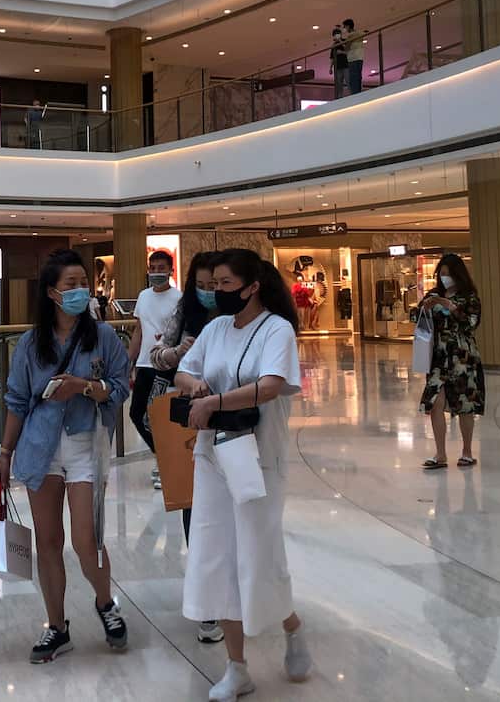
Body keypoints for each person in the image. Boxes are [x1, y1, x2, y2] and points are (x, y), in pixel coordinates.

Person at [174, 248, 313, 700]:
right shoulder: (214, 329)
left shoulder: (277, 329)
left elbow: (272, 386)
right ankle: (237, 667)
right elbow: (182, 372)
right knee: (217, 557)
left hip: (258, 460)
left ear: (253, 286)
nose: (217, 294)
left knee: (258, 555)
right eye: (213, 286)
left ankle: (291, 624)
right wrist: (194, 386)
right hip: (213, 459)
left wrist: (213, 402)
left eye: (226, 285)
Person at [0, 249, 131, 664]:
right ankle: (56, 626)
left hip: (85, 444)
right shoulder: (30, 343)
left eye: (82, 283)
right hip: (40, 450)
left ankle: (105, 603)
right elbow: (17, 401)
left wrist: (84, 387)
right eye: (70, 285)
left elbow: (120, 387)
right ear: (52, 293)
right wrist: (5, 453)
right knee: (49, 542)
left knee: (86, 541)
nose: (79, 291)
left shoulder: (103, 337)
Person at [148, 250, 223, 645]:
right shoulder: (184, 312)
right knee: (195, 511)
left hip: (234, 425)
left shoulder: (242, 322)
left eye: (220, 285)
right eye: (205, 285)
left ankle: (236, 594)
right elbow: (156, 356)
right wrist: (178, 354)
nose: (212, 292)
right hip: (188, 426)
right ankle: (209, 604)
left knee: (232, 513)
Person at [418, 253, 484, 470]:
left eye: (447, 274)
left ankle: (466, 451)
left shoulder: (469, 298)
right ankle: (440, 453)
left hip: (462, 358)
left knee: (465, 403)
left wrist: (451, 306)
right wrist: (425, 308)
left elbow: (471, 324)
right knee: (435, 401)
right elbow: (417, 319)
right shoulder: (433, 294)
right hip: (437, 357)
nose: (444, 277)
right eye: (441, 274)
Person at [126, 250, 181, 483]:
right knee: (136, 413)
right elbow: (139, 330)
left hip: (166, 364)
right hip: (144, 364)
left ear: (170, 270)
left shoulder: (179, 298)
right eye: (153, 268)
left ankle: (167, 462)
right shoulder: (143, 296)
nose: (156, 272)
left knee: (158, 415)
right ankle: (163, 455)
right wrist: (129, 360)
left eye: (161, 268)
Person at [342, 18, 364, 96]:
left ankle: (355, 95)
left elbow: (347, 47)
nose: (344, 29)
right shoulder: (360, 33)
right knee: (358, 77)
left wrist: (342, 43)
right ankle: (358, 94)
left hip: (353, 58)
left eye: (344, 27)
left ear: (348, 26)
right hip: (360, 57)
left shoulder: (351, 35)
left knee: (353, 78)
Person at [330, 26, 348, 100]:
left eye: (338, 34)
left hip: (346, 65)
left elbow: (349, 51)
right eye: (335, 34)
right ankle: (340, 98)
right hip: (337, 67)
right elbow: (332, 58)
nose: (336, 35)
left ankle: (352, 95)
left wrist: (340, 41)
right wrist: (330, 67)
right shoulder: (333, 45)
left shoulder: (345, 41)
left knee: (348, 81)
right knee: (339, 84)